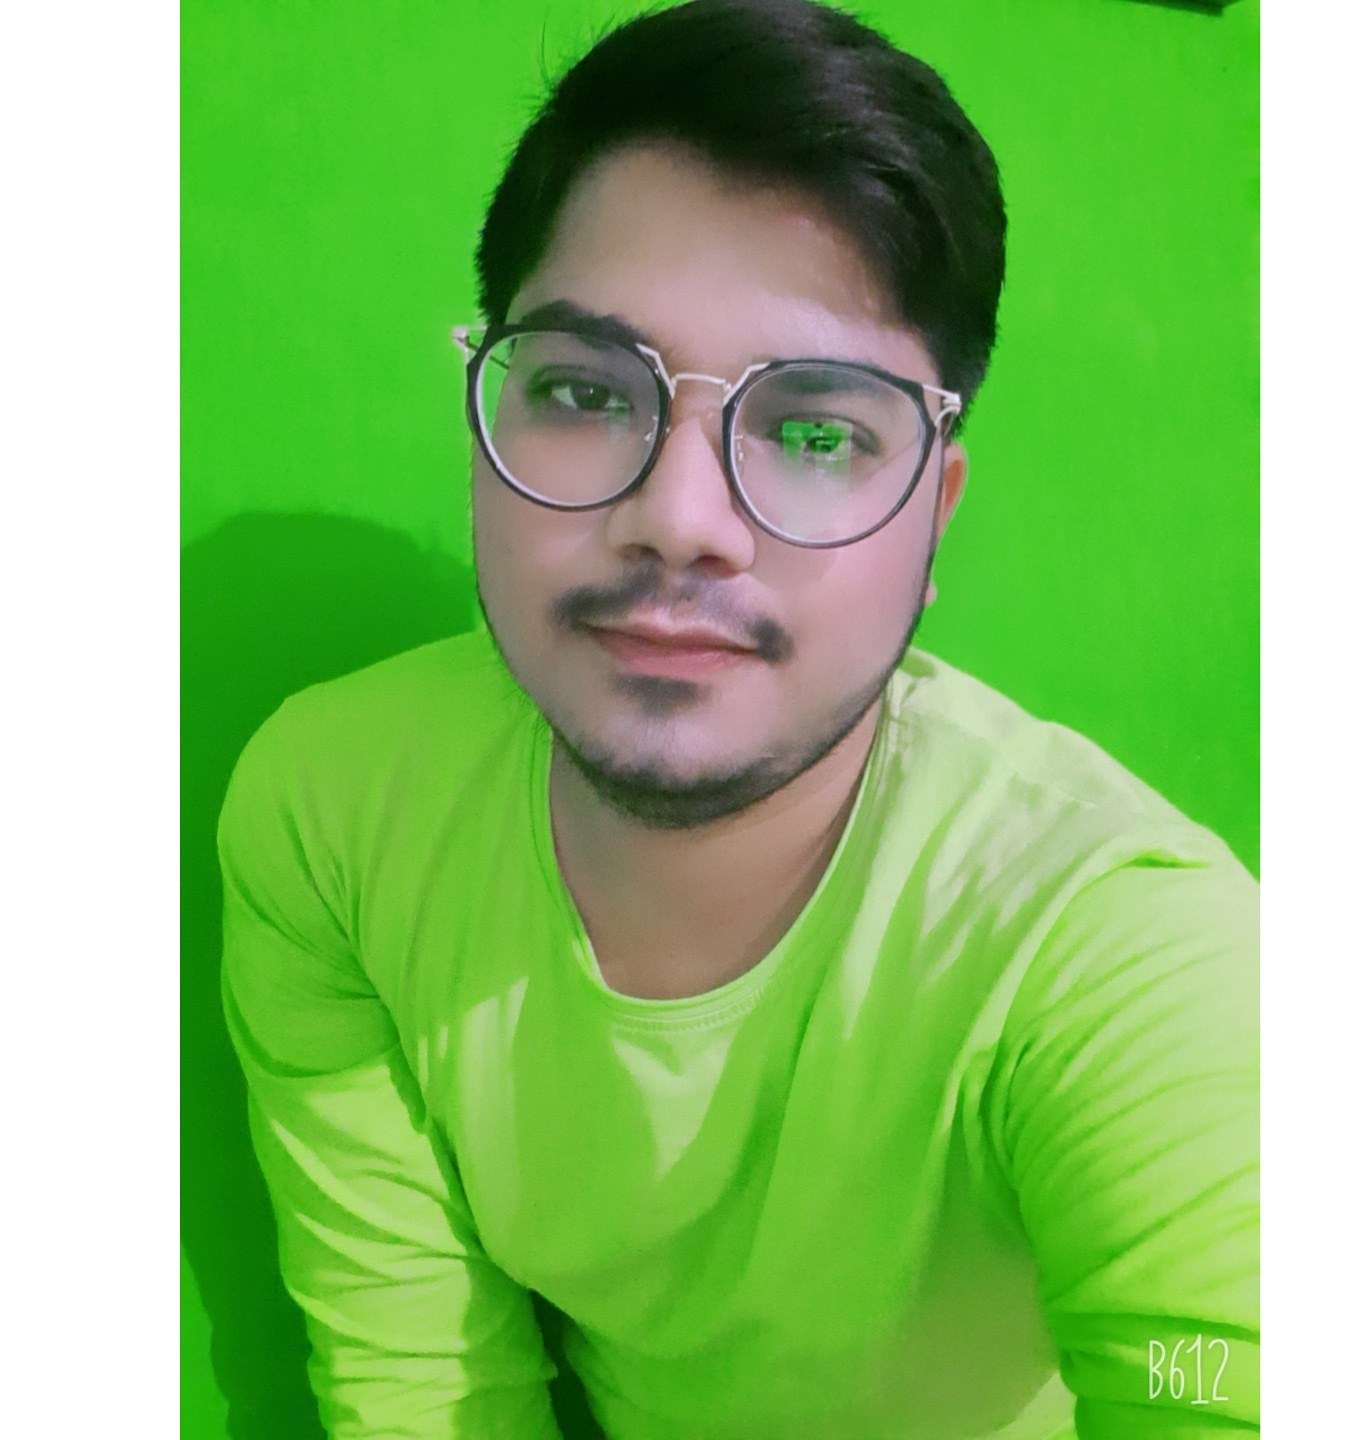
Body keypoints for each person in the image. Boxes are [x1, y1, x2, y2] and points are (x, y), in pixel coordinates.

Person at [217, 1, 1259, 1436]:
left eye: (819, 430)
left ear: (933, 515)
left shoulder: (1120, 950)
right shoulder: (332, 813)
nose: (681, 518)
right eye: (583, 390)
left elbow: (1224, 1376)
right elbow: (427, 1389)